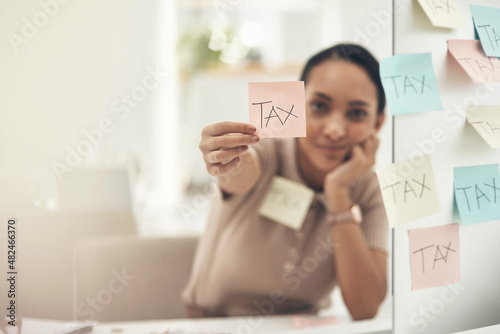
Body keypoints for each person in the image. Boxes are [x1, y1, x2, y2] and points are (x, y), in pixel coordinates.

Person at [181, 44, 388, 320]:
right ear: (297, 107)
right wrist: (225, 160)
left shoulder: (369, 187)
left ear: (378, 122)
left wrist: (338, 194)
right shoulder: (267, 151)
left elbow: (365, 308)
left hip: (305, 326)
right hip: (215, 324)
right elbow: (241, 172)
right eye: (319, 107)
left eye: (357, 113)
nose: (335, 130)